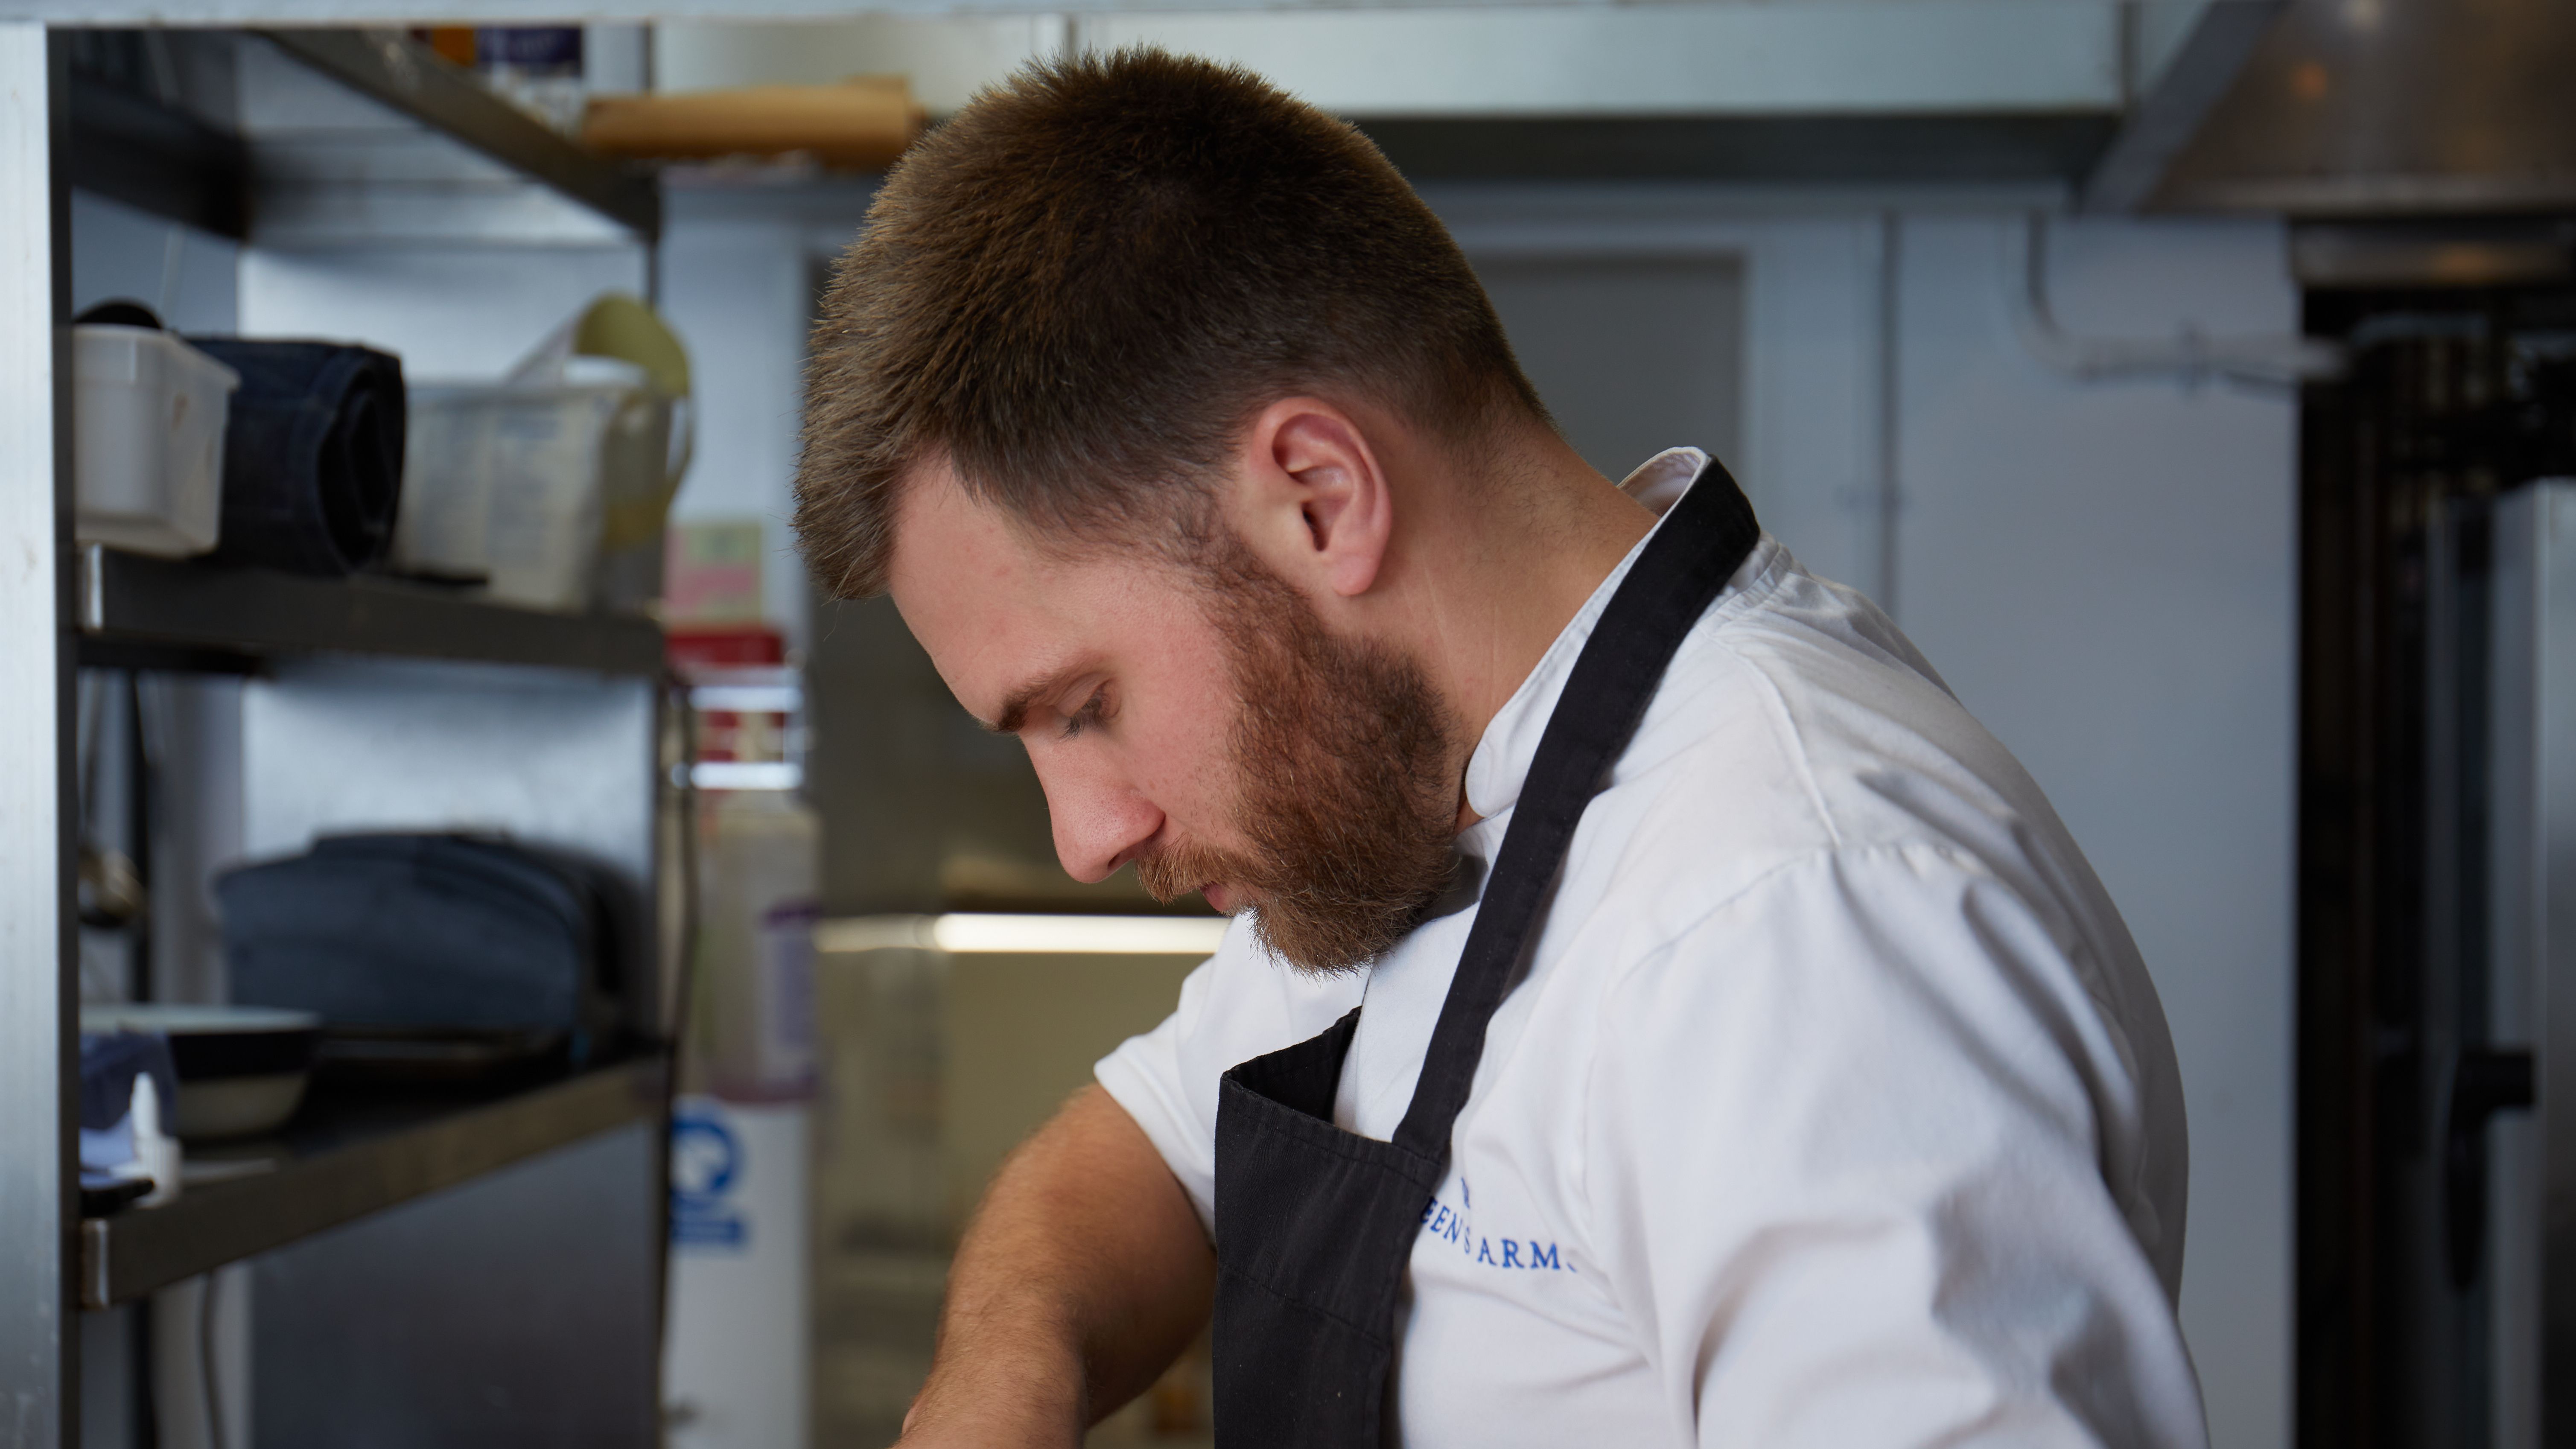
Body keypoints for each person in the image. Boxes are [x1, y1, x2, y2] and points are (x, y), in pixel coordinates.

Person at [795, 47, 2208, 1449]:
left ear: (1318, 497)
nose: (1084, 836)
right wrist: (1005, 1370)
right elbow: (1152, 1144)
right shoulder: (1410, 796)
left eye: (1081, 705)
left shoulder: (1797, 923)